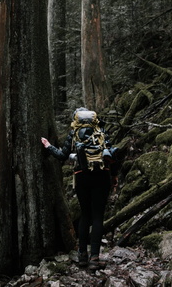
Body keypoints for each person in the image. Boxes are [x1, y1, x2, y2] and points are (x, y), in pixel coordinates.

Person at [41, 108, 119, 270]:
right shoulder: (100, 131)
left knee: (85, 215)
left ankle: (82, 256)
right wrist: (114, 177)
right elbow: (112, 155)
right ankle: (95, 258)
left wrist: (48, 146)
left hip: (82, 176)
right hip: (102, 175)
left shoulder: (74, 133)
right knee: (97, 216)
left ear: (76, 119)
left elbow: (63, 155)